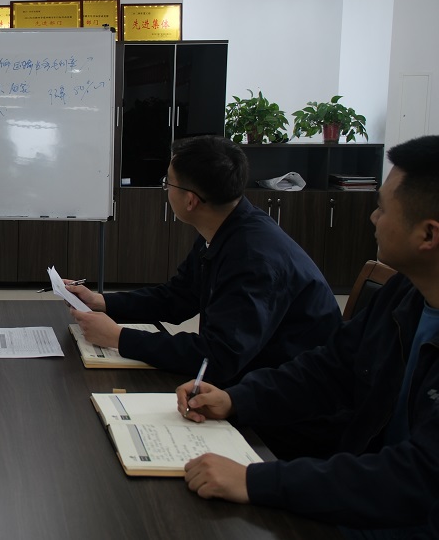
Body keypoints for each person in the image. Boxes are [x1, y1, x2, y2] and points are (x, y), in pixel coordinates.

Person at [177, 135, 439, 537]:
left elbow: (416, 478)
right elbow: (329, 368)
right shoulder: (406, 292)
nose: (373, 218)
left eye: (383, 209)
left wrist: (254, 480)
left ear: (428, 235)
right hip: (357, 489)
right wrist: (235, 399)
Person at [68, 136, 341, 458]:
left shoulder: (254, 258)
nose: (165, 189)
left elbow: (218, 357)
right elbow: (178, 296)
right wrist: (104, 302)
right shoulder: (225, 226)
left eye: (168, 182)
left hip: (287, 415)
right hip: (251, 379)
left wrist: (119, 338)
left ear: (191, 200)